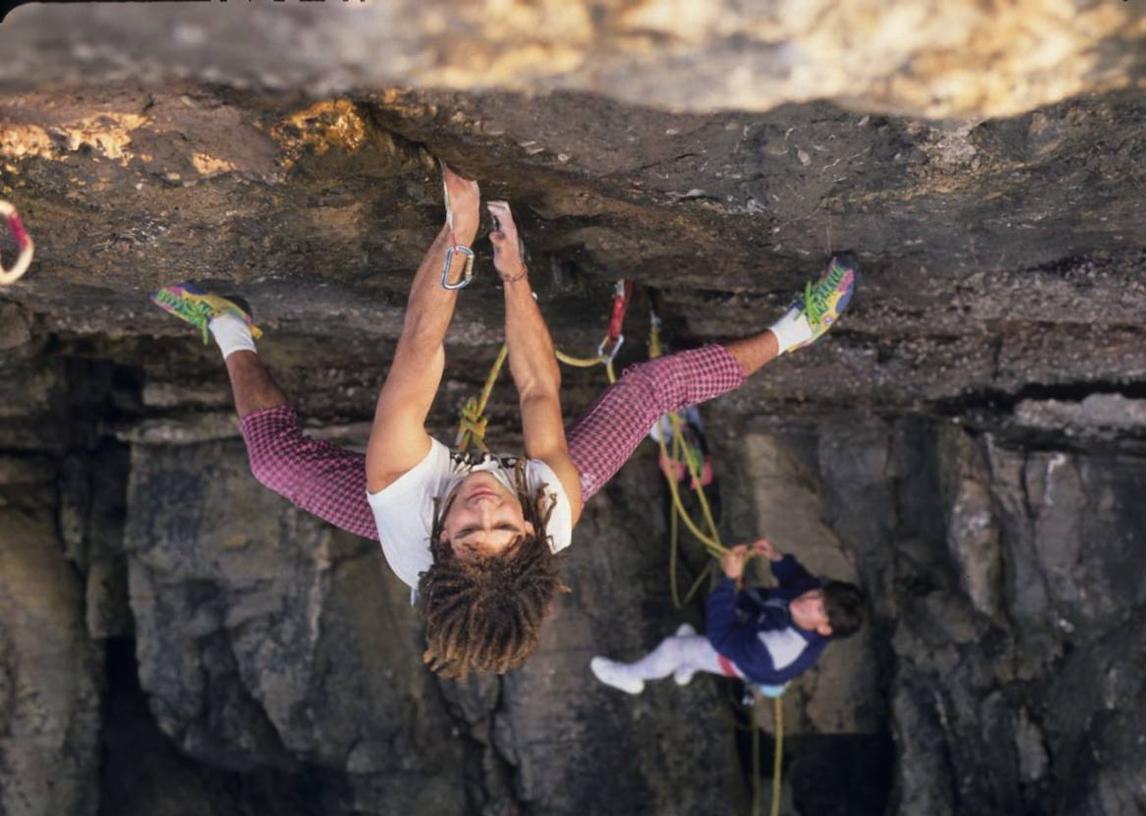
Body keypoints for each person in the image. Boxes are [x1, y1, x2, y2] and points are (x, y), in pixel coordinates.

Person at [151, 161, 858, 680]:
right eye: (502, 527)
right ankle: (802, 327)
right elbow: (536, 388)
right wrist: (515, 275)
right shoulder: (550, 510)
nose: (486, 508)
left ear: (441, 537)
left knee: (274, 462)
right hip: (511, 499)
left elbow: (419, 350)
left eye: (469, 531)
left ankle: (229, 323)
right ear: (528, 536)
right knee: (644, 391)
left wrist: (459, 237)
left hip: (415, 498)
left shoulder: (401, 504)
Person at [589, 538, 865, 693]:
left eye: (818, 608)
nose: (809, 600)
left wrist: (731, 581)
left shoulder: (780, 649)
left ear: (824, 629)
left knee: (677, 648)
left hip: (748, 658)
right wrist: (778, 559)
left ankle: (632, 677)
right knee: (704, 637)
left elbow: (720, 637)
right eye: (818, 594)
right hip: (757, 628)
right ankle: (690, 666)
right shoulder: (815, 596)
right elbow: (800, 580)